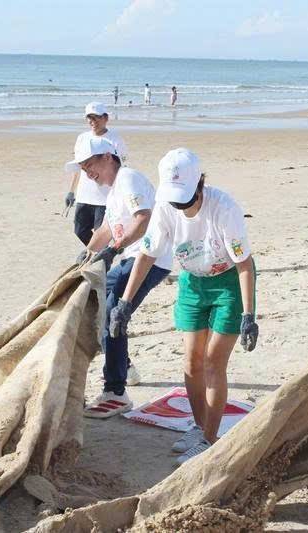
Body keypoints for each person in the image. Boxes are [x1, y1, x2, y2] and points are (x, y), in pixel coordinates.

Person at [110, 148, 259, 465]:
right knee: (191, 364)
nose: (180, 205)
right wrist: (124, 303)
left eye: (186, 198)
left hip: (227, 282)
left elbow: (245, 263)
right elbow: (147, 255)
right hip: (192, 282)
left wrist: (249, 314)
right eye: (175, 199)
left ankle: (209, 439)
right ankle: (200, 424)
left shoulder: (224, 208)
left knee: (212, 362)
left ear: (200, 183)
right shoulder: (165, 207)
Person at [65, 137, 173, 418]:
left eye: (90, 164)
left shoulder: (128, 178)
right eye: (83, 167)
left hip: (148, 259)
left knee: (112, 311)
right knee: (97, 301)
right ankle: (124, 365)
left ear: (108, 157)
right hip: (132, 258)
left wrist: (114, 249)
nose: (88, 172)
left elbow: (143, 218)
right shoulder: (113, 191)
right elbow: (105, 229)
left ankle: (116, 391)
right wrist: (86, 255)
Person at [65, 102, 128, 248]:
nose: (92, 121)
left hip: (104, 198)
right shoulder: (82, 138)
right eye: (89, 118)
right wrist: (71, 191)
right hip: (84, 195)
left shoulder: (115, 139)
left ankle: (98, 261)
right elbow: (78, 167)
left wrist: (119, 194)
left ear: (106, 118)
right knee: (80, 230)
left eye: (96, 117)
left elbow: (122, 167)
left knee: (103, 233)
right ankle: (97, 255)